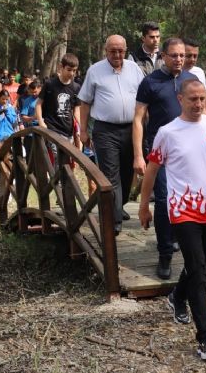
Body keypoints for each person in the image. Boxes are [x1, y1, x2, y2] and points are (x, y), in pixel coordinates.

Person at [138, 79, 206, 361]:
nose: (198, 104)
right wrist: (144, 205)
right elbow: (152, 169)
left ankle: (177, 296)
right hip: (181, 210)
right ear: (180, 99)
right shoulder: (167, 132)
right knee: (198, 269)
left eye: (202, 99)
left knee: (201, 263)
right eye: (192, 99)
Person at [133, 37, 196, 279]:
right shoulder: (150, 82)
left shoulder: (192, 81)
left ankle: (182, 242)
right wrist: (139, 154)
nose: (179, 59)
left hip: (189, 153)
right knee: (163, 201)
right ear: (163, 56)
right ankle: (165, 254)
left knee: (188, 199)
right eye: (174, 55)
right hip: (161, 154)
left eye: (183, 55)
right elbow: (138, 119)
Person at [78, 35, 144, 234]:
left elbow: (144, 97)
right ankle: (114, 220)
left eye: (121, 51)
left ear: (126, 50)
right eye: (113, 51)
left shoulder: (134, 69)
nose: (117, 55)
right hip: (105, 130)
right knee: (110, 173)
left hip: (131, 128)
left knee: (126, 172)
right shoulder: (95, 70)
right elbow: (85, 102)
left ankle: (119, 205)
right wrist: (82, 130)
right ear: (105, 50)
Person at [37, 54, 81, 163]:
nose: (71, 73)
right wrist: (41, 122)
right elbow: (38, 104)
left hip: (68, 130)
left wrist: (80, 128)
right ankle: (58, 180)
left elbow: (76, 110)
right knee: (58, 158)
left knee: (66, 160)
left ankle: (60, 179)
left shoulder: (76, 87)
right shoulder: (50, 84)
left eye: (74, 70)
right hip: (52, 127)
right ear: (61, 67)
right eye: (69, 70)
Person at [182, 38, 206, 114]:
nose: (192, 59)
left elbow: (205, 97)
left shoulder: (199, 72)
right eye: (189, 56)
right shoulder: (173, 73)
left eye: (195, 56)